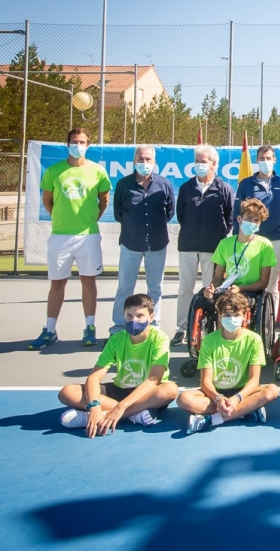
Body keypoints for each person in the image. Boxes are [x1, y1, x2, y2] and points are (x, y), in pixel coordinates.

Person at [30, 127, 111, 350]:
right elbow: (48, 201)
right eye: (75, 141)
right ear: (67, 144)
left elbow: (103, 201)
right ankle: (49, 330)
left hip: (88, 236)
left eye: (82, 142)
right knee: (57, 283)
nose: (78, 145)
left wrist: (88, 220)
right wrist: (62, 218)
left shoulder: (98, 171)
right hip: (60, 237)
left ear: (88, 145)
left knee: (88, 281)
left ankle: (90, 329)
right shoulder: (53, 171)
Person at [57, 293, 179, 436]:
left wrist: (121, 407)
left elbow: (154, 379)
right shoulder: (116, 339)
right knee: (67, 392)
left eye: (140, 316)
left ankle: (106, 415)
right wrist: (94, 406)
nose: (134, 320)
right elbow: (94, 378)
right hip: (120, 389)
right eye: (129, 316)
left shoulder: (160, 338)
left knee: (170, 389)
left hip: (146, 394)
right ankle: (133, 415)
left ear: (151, 318)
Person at [177, 291, 279, 434]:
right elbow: (205, 382)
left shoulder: (254, 339)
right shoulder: (209, 340)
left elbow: (254, 380)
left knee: (272, 390)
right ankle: (246, 411)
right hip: (215, 394)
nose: (232, 319)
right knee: (183, 399)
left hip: (242, 393)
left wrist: (237, 398)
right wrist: (218, 398)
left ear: (244, 316)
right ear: (220, 316)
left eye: (236, 315)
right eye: (227, 315)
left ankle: (212, 420)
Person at [172, 144, 235, 346]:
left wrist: (216, 236)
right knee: (185, 289)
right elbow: (180, 215)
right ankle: (182, 328)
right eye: (197, 161)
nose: (199, 165)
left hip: (213, 248)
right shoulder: (186, 187)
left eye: (203, 161)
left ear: (214, 164)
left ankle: (213, 326)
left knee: (212, 289)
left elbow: (230, 218)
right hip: (188, 246)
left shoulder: (224, 188)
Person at [110, 145, 175, 335]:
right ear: (134, 161)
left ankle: (152, 326)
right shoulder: (123, 184)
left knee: (155, 287)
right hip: (131, 243)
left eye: (148, 159)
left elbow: (169, 212)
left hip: (157, 244)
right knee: (124, 288)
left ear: (154, 162)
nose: (144, 163)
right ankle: (119, 327)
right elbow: (118, 213)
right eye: (141, 159)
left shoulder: (164, 184)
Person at [198, 199, 277, 323]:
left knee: (230, 304)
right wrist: (212, 288)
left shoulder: (265, 245)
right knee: (207, 299)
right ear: (239, 219)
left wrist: (240, 288)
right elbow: (218, 277)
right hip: (227, 290)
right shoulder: (225, 244)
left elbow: (263, 282)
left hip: (250, 292)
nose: (252, 223)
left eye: (256, 220)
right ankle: (219, 336)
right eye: (249, 219)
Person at [233, 145, 280, 298]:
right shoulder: (246, 184)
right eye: (262, 158)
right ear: (256, 160)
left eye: (268, 158)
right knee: (249, 283)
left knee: (271, 287)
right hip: (250, 240)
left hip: (275, 239)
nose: (265, 161)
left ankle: (270, 322)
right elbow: (238, 212)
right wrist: (237, 238)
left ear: (274, 160)